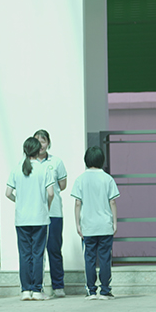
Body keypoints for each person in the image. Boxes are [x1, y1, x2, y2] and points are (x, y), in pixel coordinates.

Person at [5, 137, 55, 301]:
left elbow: (8, 193)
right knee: (38, 254)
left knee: (24, 254)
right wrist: (46, 206)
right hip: (40, 218)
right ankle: (37, 290)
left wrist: (19, 201)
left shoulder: (16, 169)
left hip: (22, 219)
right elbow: (51, 193)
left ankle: (25, 290)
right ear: (38, 150)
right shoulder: (44, 169)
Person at [71, 146, 119, 300]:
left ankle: (91, 291)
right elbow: (112, 202)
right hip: (105, 225)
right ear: (101, 160)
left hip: (88, 227)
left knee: (89, 258)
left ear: (86, 160)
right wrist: (114, 223)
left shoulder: (80, 179)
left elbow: (77, 203)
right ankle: (105, 291)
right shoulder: (108, 179)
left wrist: (78, 224)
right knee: (105, 258)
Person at [34, 129, 68, 297]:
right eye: (37, 141)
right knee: (36, 252)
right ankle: (36, 287)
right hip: (35, 214)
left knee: (54, 249)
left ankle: (58, 286)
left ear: (48, 143)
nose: (40, 145)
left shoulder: (56, 162)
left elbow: (63, 185)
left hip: (53, 212)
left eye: (43, 141)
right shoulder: (27, 163)